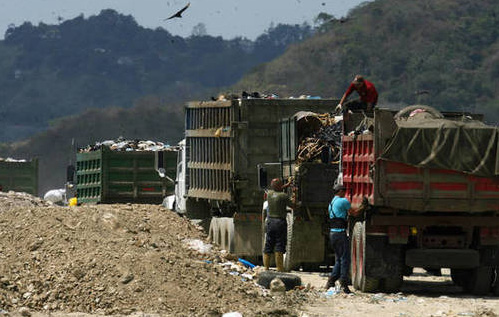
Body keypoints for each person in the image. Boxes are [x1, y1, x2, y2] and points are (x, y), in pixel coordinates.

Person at [326, 184, 362, 293]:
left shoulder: (331, 202)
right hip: (341, 234)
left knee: (339, 259)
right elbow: (354, 213)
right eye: (344, 190)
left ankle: (331, 281)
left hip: (333, 234)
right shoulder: (343, 201)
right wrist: (363, 207)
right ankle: (344, 284)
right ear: (340, 191)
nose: (345, 192)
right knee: (345, 259)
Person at [262, 178, 293, 272]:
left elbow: (277, 188)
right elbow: (292, 205)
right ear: (280, 186)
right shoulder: (284, 196)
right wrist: (295, 198)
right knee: (279, 244)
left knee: (269, 244)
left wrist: (287, 185)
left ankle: (266, 268)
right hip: (280, 222)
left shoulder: (269, 194)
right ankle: (280, 268)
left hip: (270, 222)